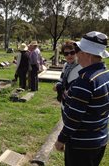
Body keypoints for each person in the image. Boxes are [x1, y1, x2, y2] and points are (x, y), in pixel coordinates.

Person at [55, 31, 109, 166]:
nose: (76, 54)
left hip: (81, 144)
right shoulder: (105, 74)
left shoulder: (84, 81)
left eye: (78, 50)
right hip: (100, 139)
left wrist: (61, 139)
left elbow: (74, 118)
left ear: (87, 53)